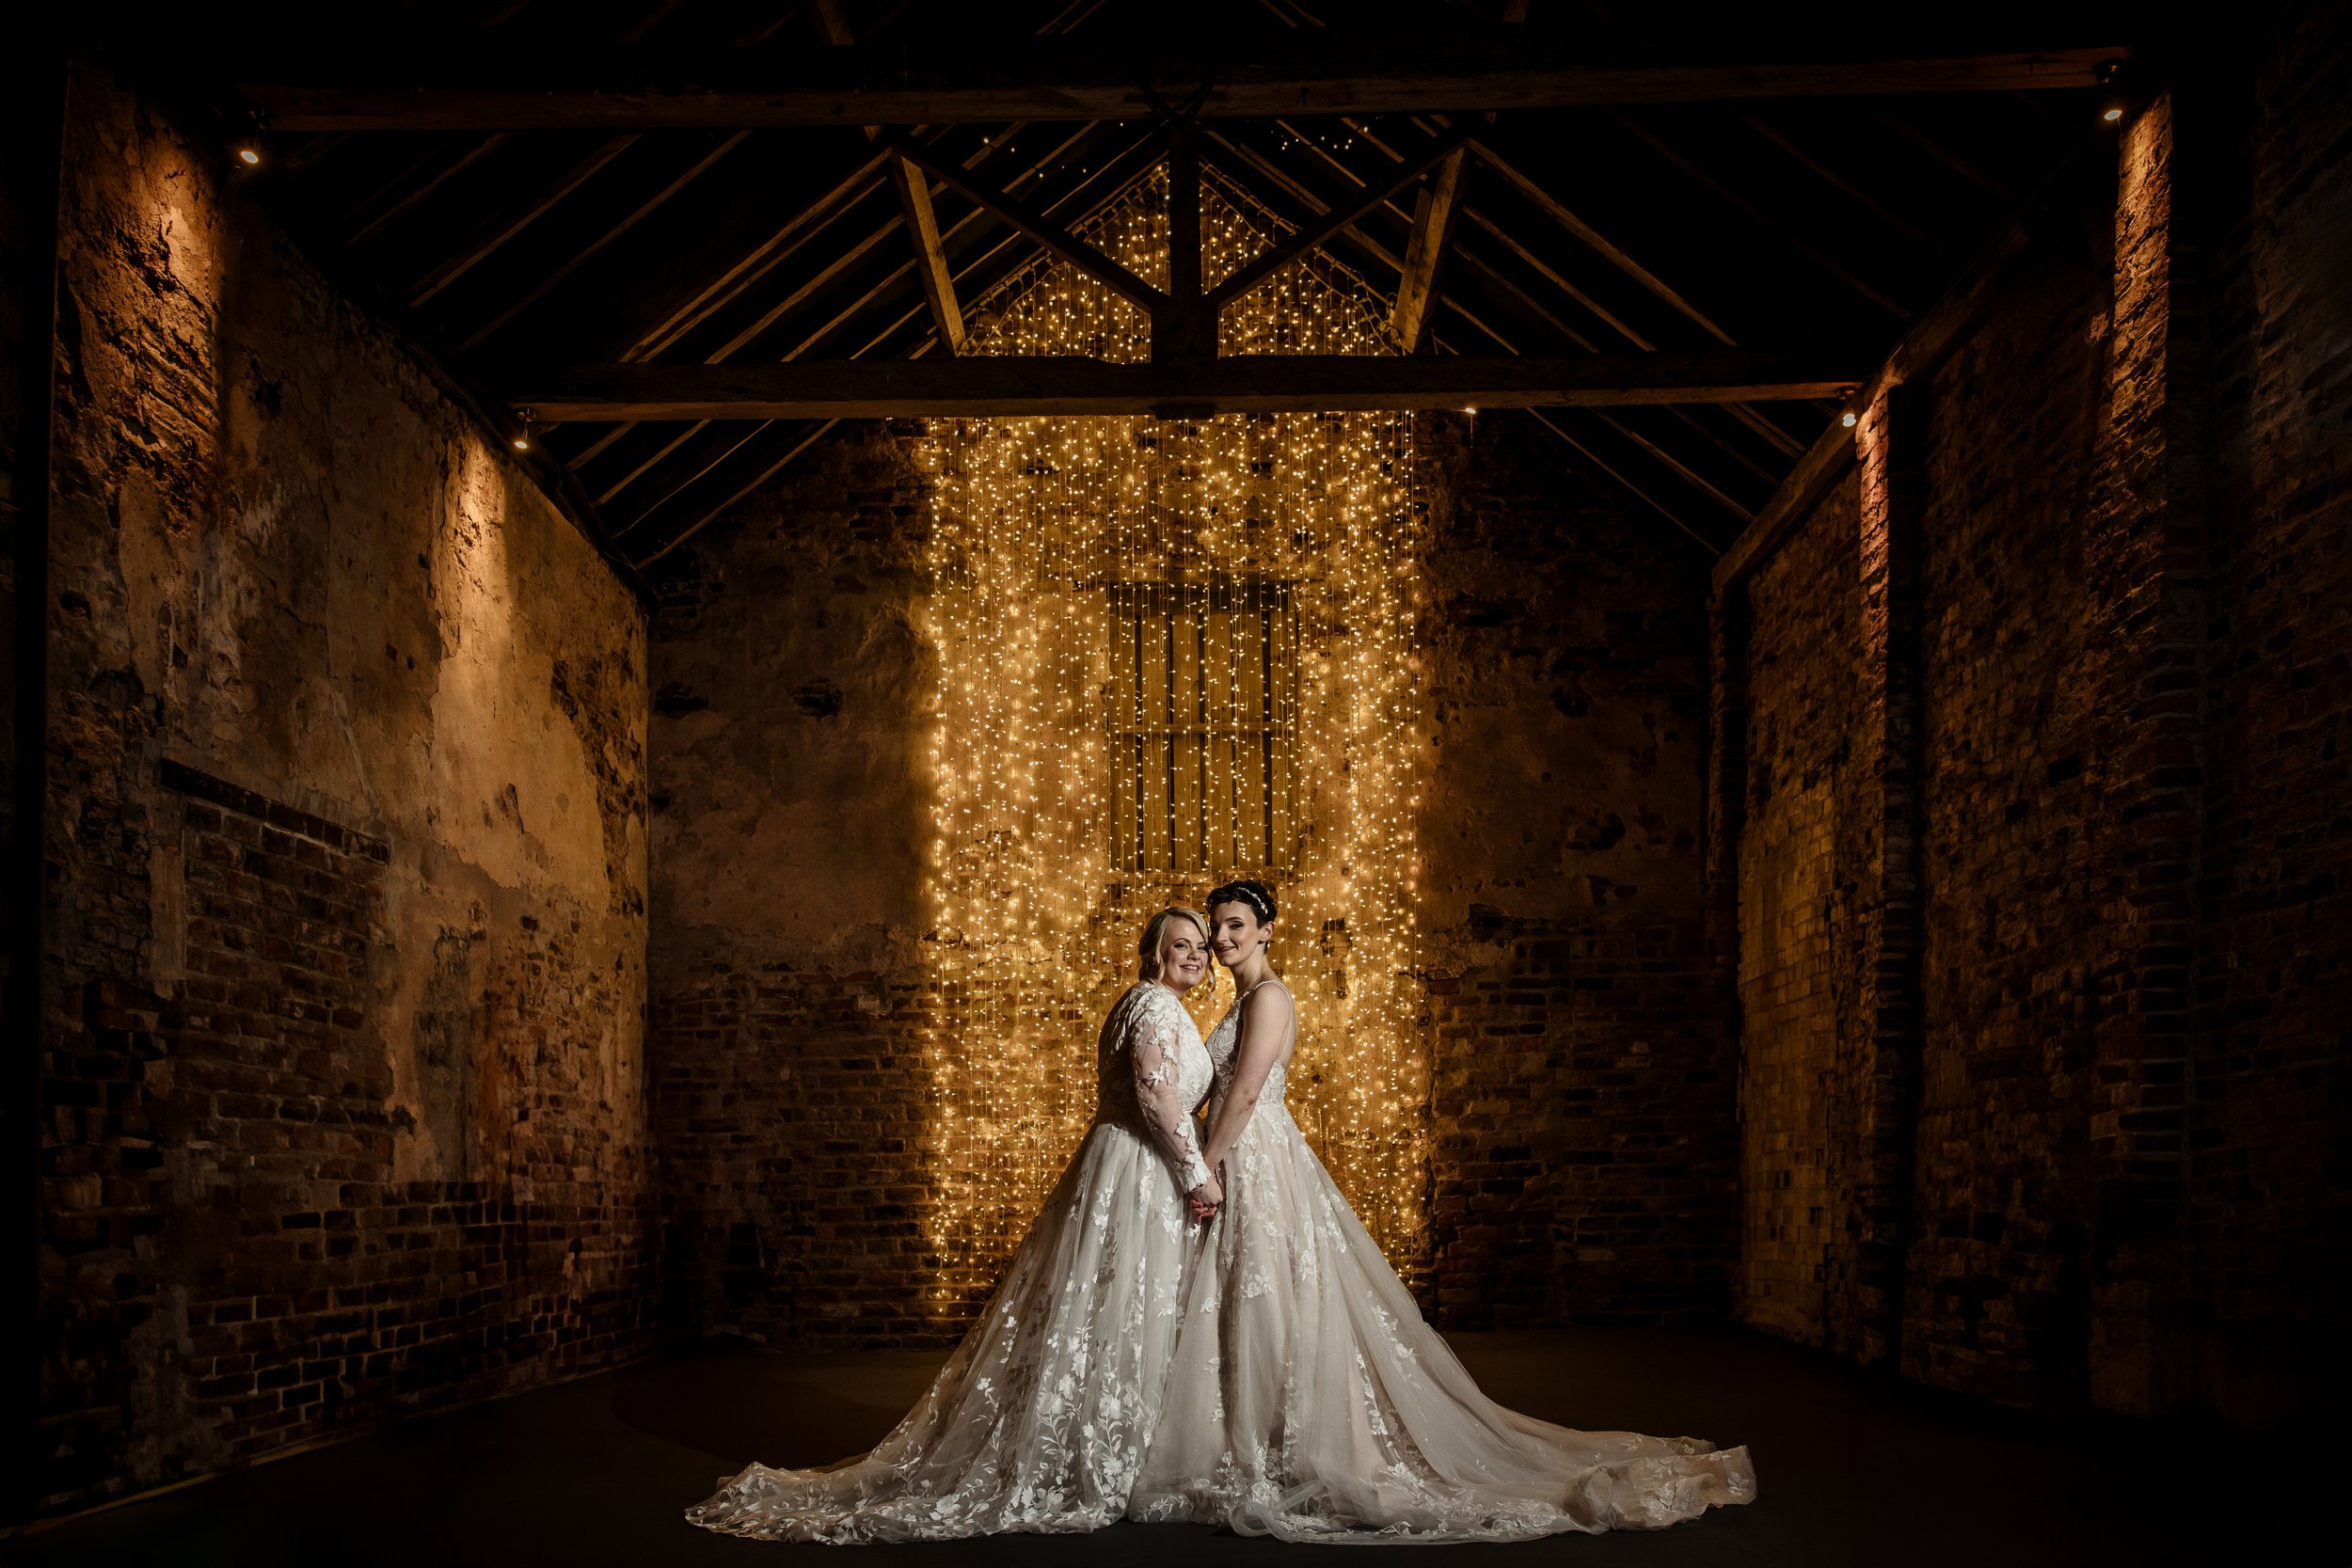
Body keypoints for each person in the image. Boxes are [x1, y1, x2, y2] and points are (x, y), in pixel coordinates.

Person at [1128, 879, 1758, 1542]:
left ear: (1266, 931)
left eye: (1234, 926)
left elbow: (1249, 1088)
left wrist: (1205, 1169)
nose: (1222, 938)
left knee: (1266, 1293)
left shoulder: (1270, 996)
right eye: (1216, 928)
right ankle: (1253, 1435)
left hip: (1251, 1156)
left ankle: (1278, 1444)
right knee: (1253, 1296)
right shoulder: (1250, 996)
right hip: (1249, 1156)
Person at [688, 909, 1222, 1543]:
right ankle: (1104, 1456)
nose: (1195, 956)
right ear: (1155, 952)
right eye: (1181, 945)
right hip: (1140, 1168)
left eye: (1201, 948)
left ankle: (1122, 1447)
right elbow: (1156, 1096)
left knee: (1113, 1309)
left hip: (1128, 1165)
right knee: (1125, 1304)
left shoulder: (1147, 1003)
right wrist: (1195, 1173)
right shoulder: (1154, 1005)